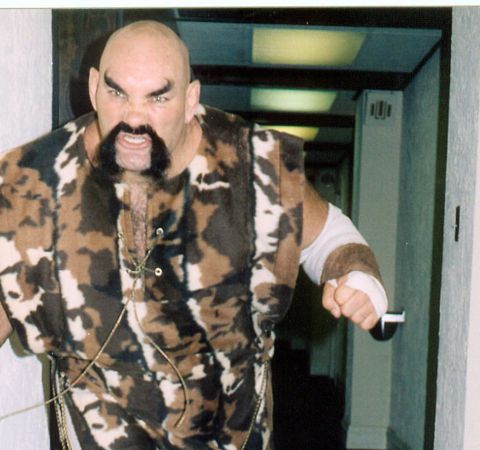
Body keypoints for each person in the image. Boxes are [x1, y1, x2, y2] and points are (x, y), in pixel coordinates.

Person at [0, 20, 387, 450]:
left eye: (158, 97)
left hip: (230, 432)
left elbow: (328, 235)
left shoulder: (254, 164)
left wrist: (357, 276)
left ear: (190, 100)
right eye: (117, 92)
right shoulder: (32, 182)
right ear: (93, 88)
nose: (133, 118)